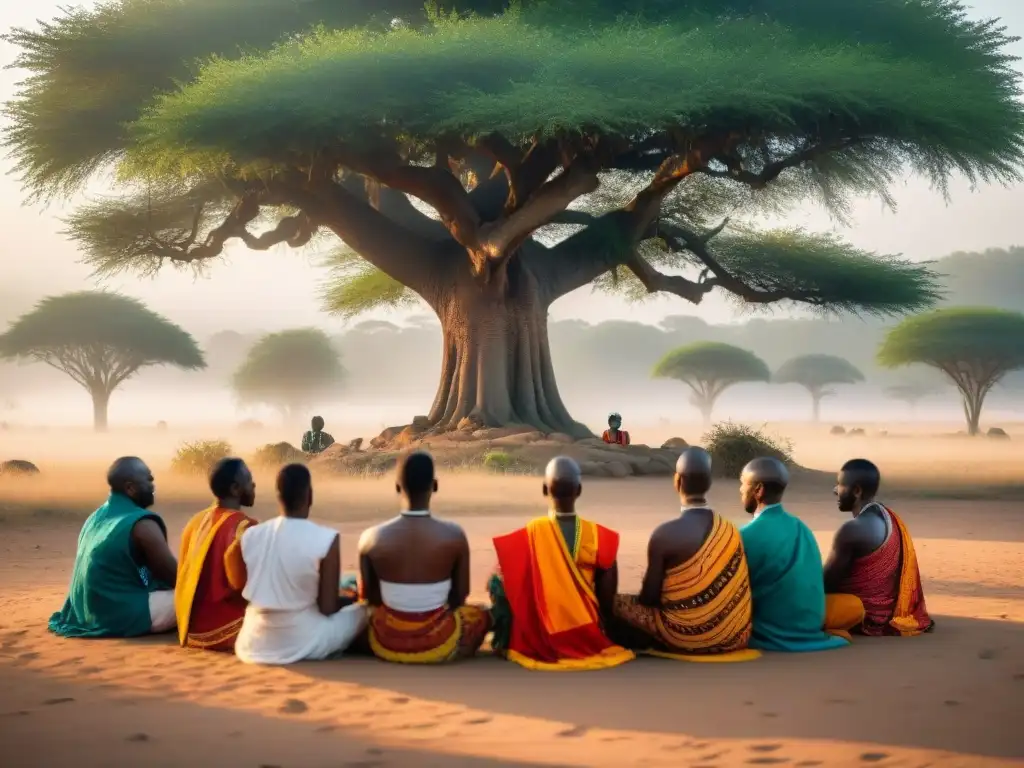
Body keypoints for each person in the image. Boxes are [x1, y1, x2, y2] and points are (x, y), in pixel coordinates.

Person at [612, 447, 759, 661]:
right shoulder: (730, 531)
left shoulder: (665, 534)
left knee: (615, 603)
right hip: (734, 636)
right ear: (709, 483)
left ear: (677, 481)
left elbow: (649, 598)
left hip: (685, 639)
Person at [488, 456, 634, 670]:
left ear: (545, 490)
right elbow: (607, 597)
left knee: (498, 581)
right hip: (585, 630)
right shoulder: (597, 535)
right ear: (579, 490)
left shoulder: (530, 534)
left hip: (539, 632)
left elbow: (500, 582)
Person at [359, 451, 491, 663]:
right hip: (439, 643)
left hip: (386, 641)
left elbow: (370, 599)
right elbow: (460, 596)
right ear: (435, 485)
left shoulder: (371, 538)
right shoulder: (454, 535)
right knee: (482, 614)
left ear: (397, 487)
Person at [234, 463, 367, 664]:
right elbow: (327, 608)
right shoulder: (327, 538)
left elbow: (240, 586)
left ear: (278, 496)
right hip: (303, 641)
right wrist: (351, 599)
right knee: (365, 611)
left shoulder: (250, 535)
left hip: (253, 641)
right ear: (310, 496)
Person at [738, 457, 859, 652]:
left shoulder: (745, 535)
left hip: (768, 631)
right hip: (810, 627)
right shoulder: (803, 528)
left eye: (743, 483)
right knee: (853, 607)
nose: (741, 490)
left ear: (758, 490)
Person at [49, 457, 178, 638]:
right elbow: (174, 577)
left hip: (87, 613)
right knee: (197, 594)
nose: (153, 486)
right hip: (119, 616)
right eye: (149, 480)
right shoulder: (143, 524)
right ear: (130, 488)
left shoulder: (96, 516)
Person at [823, 459, 933, 636]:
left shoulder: (852, 530)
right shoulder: (888, 516)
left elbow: (826, 584)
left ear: (857, 491)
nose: (835, 491)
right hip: (891, 611)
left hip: (864, 615)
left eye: (840, 485)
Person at [174, 458, 258, 651]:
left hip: (190, 632)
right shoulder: (244, 526)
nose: (253, 485)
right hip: (226, 630)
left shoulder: (195, 521)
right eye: (249, 480)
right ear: (236, 489)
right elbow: (249, 585)